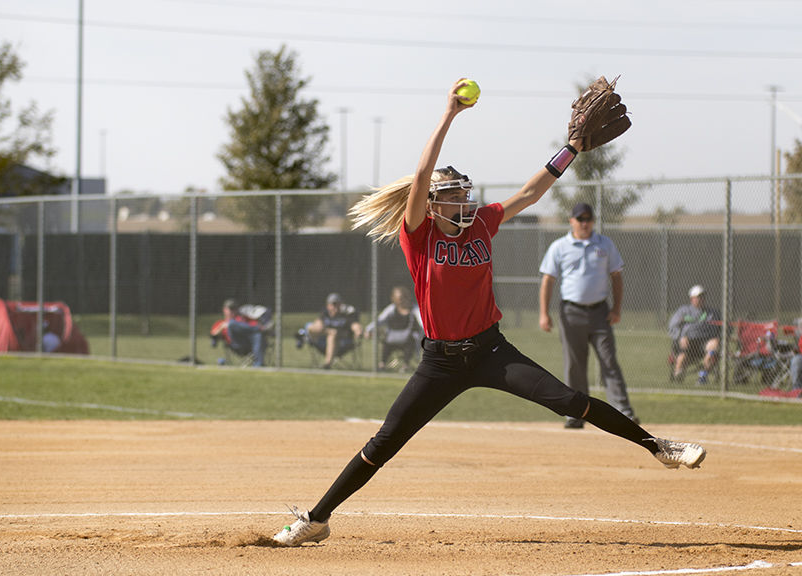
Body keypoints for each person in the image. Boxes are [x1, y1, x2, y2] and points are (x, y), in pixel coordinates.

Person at [272, 79, 706, 547]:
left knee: (570, 400)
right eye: (453, 196)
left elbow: (532, 191)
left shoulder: (482, 223)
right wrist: (449, 116)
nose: (463, 202)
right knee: (385, 443)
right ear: (433, 204)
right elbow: (420, 179)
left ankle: (657, 446)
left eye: (464, 193)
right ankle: (316, 519)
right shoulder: (419, 236)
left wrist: (571, 149)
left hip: (491, 350)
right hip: (439, 362)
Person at [538, 202, 638, 428]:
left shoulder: (604, 244)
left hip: (600, 313)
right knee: (575, 365)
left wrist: (616, 309)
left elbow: (617, 276)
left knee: (609, 360)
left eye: (588, 219)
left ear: (593, 221)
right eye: (580, 219)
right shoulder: (560, 246)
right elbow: (548, 280)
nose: (584, 223)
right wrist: (544, 313)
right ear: (571, 221)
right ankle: (576, 415)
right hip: (571, 312)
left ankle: (624, 413)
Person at [668, 285, 722, 385]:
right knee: (682, 357)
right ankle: (678, 374)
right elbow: (672, 326)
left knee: (714, 344)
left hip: (706, 342)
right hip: (689, 342)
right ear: (692, 299)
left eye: (702, 297)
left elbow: (725, 327)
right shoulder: (683, 311)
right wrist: (680, 337)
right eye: (698, 297)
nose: (701, 299)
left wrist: (719, 337)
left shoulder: (713, 313)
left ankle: (703, 376)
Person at [364, 285, 424, 371]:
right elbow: (379, 320)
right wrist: (368, 329)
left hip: (408, 339)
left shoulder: (414, 309)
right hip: (392, 338)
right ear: (394, 299)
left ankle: (405, 365)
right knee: (386, 341)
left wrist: (427, 334)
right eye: (400, 298)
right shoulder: (391, 309)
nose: (402, 300)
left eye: (404, 297)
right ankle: (382, 365)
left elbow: (422, 323)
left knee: (411, 340)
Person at [297, 293, 362, 369]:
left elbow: (355, 325)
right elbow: (317, 325)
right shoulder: (325, 314)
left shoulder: (346, 315)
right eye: (333, 304)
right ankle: (304, 336)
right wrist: (327, 331)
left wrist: (358, 332)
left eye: (338, 304)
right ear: (328, 305)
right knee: (310, 326)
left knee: (332, 335)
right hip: (323, 343)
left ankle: (327, 364)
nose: (335, 307)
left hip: (342, 343)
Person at [210, 299, 270, 367]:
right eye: (230, 309)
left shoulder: (243, 319)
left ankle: (258, 365)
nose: (233, 311)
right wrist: (222, 327)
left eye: (235, 309)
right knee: (232, 324)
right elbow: (213, 340)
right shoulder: (220, 323)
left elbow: (255, 324)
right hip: (236, 346)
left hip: (250, 344)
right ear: (224, 310)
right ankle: (259, 330)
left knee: (258, 335)